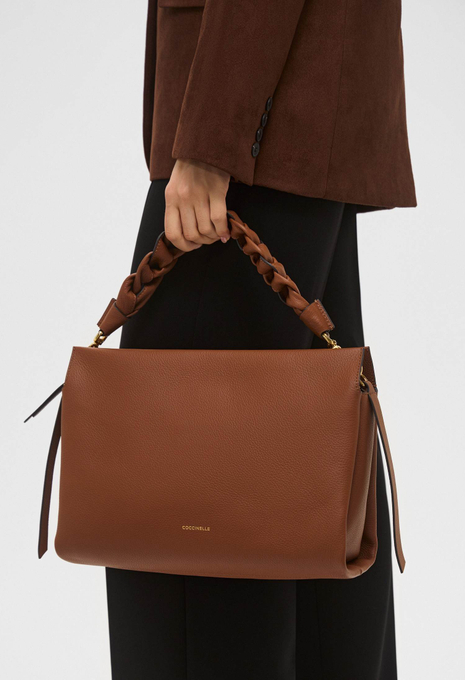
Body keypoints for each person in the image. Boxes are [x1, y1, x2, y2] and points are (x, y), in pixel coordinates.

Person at [105, 2, 416, 678]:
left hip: (253, 119)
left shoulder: (230, 139)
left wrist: (211, 139)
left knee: (185, 520)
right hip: (303, 107)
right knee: (319, 495)